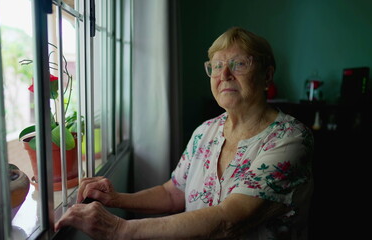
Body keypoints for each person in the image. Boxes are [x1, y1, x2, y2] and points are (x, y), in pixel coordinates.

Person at [55, 26, 314, 240]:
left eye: (239, 64)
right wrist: (117, 198)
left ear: (267, 75)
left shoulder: (290, 139)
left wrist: (119, 229)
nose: (224, 74)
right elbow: (173, 193)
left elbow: (228, 221)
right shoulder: (205, 132)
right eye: (217, 65)